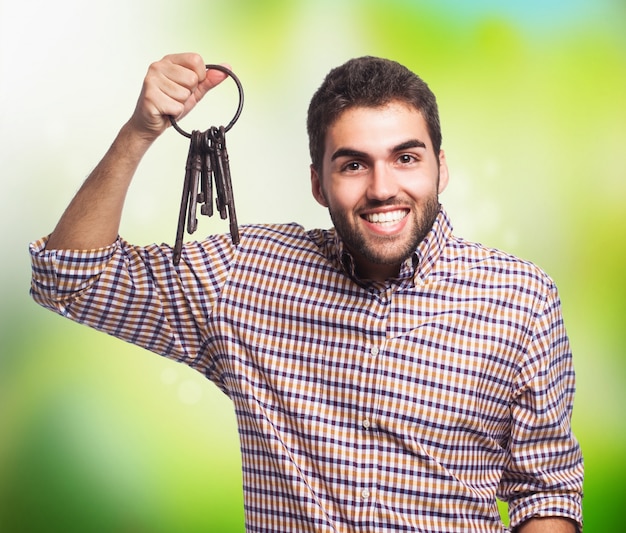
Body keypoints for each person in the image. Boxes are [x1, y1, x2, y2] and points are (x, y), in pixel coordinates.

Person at [30, 53, 584, 532]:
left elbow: (547, 491)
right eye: (353, 165)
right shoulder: (246, 275)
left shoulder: (522, 298)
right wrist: (139, 133)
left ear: (441, 168)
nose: (383, 187)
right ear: (318, 183)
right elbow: (71, 278)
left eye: (406, 157)